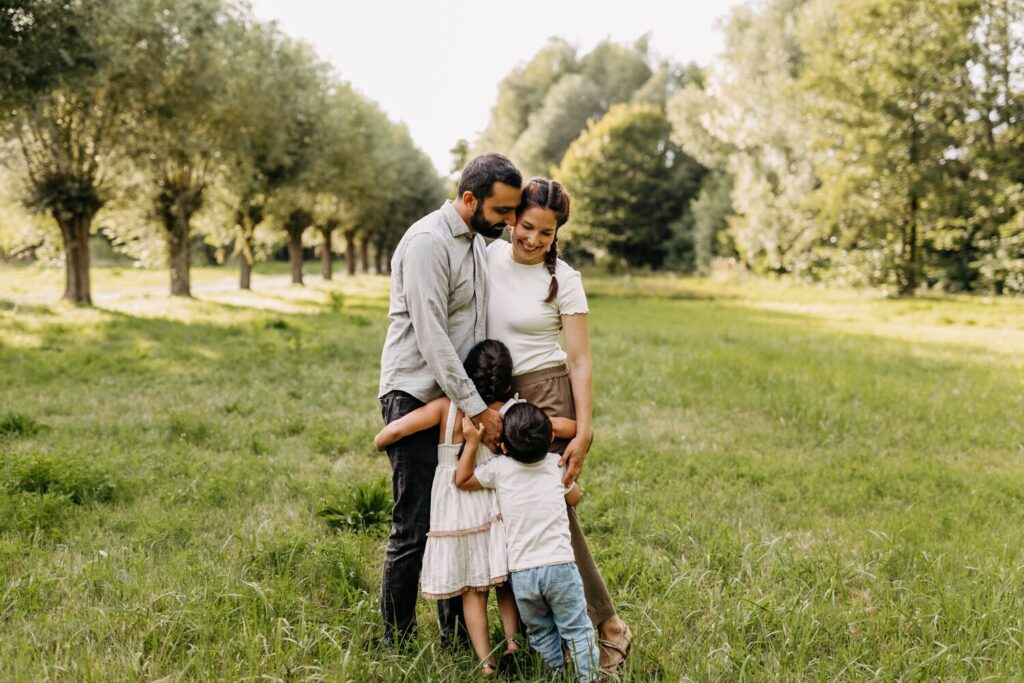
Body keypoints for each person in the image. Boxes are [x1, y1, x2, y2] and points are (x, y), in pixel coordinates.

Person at [485, 178, 633, 670]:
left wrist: (584, 429)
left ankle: (607, 624)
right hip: (499, 393)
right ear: (512, 219)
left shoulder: (563, 279)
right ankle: (549, 634)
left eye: (545, 233)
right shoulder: (488, 257)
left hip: (546, 391)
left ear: (556, 234)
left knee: (549, 508)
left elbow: (580, 358)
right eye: (526, 226)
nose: (532, 239)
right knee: (517, 506)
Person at [377, 154, 522, 645]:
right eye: (501, 210)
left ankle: (457, 637)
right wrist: (477, 408)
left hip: (457, 398)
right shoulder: (428, 243)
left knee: (454, 517)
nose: (509, 221)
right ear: (469, 199)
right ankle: (395, 640)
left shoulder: (477, 244)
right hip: (416, 395)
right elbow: (432, 338)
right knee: (414, 521)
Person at [374, 341, 532, 676]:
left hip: (455, 511)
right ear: (507, 384)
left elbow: (399, 428)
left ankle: (486, 662)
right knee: (502, 578)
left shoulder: (445, 407)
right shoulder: (509, 412)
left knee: (472, 590)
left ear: (465, 377)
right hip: (492, 507)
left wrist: (380, 440)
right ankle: (513, 641)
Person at [456, 402, 599, 682]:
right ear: (550, 438)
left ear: (504, 447)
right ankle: (588, 678)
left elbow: (463, 479)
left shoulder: (499, 468)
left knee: (542, 633)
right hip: (560, 568)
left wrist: (472, 443)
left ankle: (555, 676)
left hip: (523, 575)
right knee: (577, 631)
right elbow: (575, 498)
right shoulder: (555, 465)